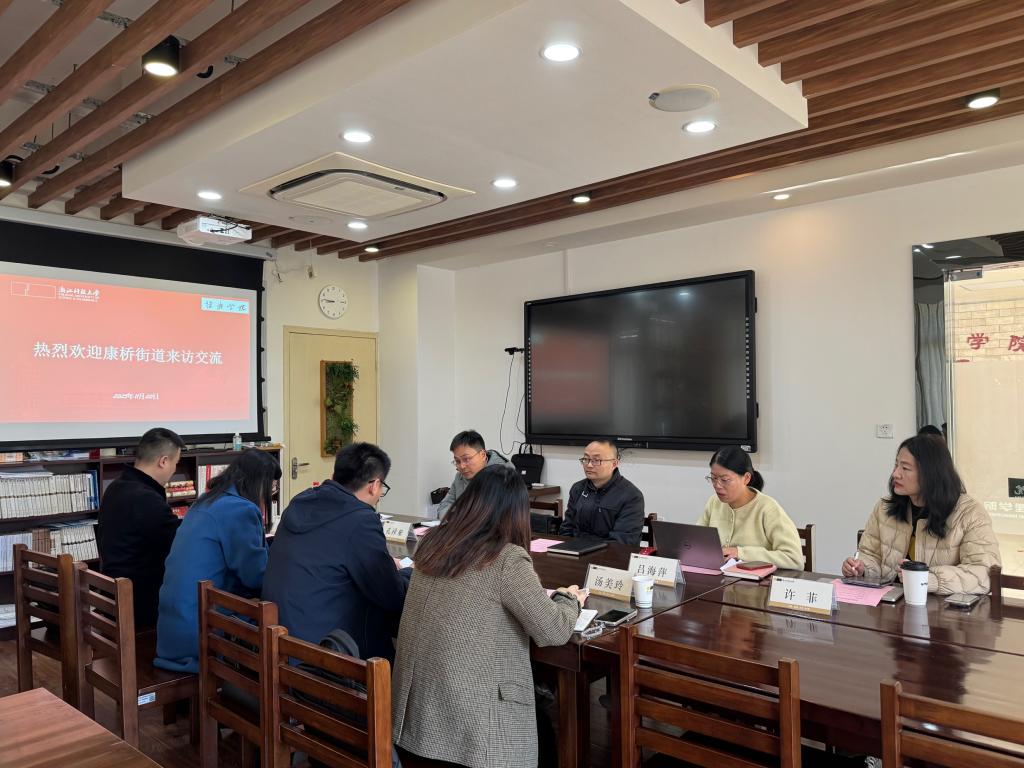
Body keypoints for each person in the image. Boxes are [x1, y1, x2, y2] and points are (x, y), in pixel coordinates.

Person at [392, 465, 584, 768]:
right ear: (517, 512)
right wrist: (569, 598)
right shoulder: (506, 558)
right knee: (546, 737)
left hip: (417, 719)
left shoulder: (433, 542)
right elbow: (554, 630)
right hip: (471, 726)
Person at [262, 442, 410, 663]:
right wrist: (408, 573)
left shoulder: (300, 502)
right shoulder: (360, 520)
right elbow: (392, 596)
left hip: (280, 646)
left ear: (334, 476)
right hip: (323, 658)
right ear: (374, 485)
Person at [155, 449, 279, 673]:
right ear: (259, 484)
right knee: (282, 627)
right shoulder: (241, 509)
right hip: (201, 636)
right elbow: (256, 577)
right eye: (271, 487)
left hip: (172, 632)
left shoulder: (205, 501)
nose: (269, 495)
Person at [842, 435, 1000, 594]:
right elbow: (870, 555)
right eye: (896, 465)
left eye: (905, 468)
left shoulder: (970, 514)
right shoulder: (884, 508)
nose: (896, 474)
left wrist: (927, 579)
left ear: (930, 474)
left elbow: (983, 574)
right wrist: (862, 568)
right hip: (892, 602)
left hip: (943, 606)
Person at [96, 427, 185, 629]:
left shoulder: (116, 487)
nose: (174, 471)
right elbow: (181, 542)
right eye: (176, 464)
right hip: (139, 604)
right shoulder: (145, 498)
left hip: (113, 594)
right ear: (163, 461)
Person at [697, 446, 804, 569]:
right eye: (713, 478)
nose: (717, 485)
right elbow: (696, 542)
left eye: (725, 480)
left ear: (746, 478)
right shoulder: (714, 502)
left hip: (757, 580)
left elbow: (794, 559)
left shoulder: (768, 508)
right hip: (720, 577)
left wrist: (741, 553)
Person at [559, 439, 644, 545]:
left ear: (614, 463)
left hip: (610, 553)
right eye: (586, 459)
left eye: (596, 460)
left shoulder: (631, 496)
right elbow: (567, 529)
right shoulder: (578, 488)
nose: (589, 465)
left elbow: (622, 541)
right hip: (574, 550)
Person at [435, 429, 513, 518]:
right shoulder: (460, 476)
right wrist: (451, 520)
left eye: (466, 459)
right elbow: (445, 505)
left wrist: (458, 519)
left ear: (483, 455)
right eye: (457, 461)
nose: (462, 466)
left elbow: (494, 516)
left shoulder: (503, 476)